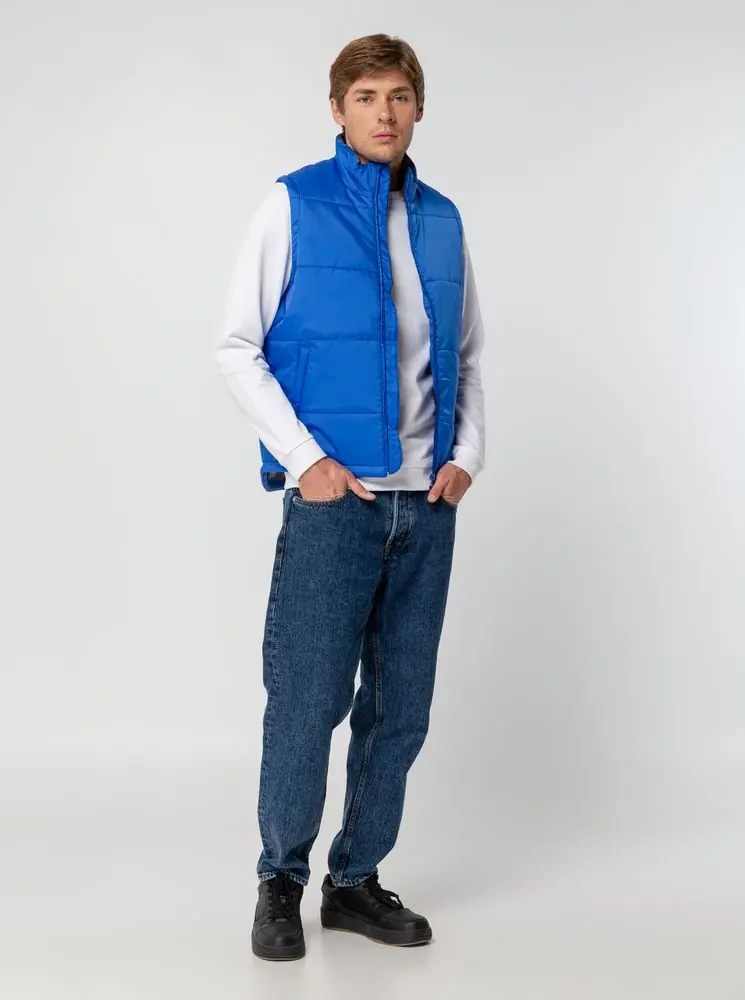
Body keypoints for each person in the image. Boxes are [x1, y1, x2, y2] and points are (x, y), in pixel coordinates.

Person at [215, 33, 486, 961]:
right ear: (337, 110)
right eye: (365, 96)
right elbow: (237, 347)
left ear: (419, 108)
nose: (383, 112)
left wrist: (466, 455)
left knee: (399, 710)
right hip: (338, 504)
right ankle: (279, 882)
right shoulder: (293, 203)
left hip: (427, 506)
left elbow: (465, 356)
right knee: (307, 702)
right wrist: (306, 461)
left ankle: (355, 881)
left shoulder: (442, 220)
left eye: (398, 95)